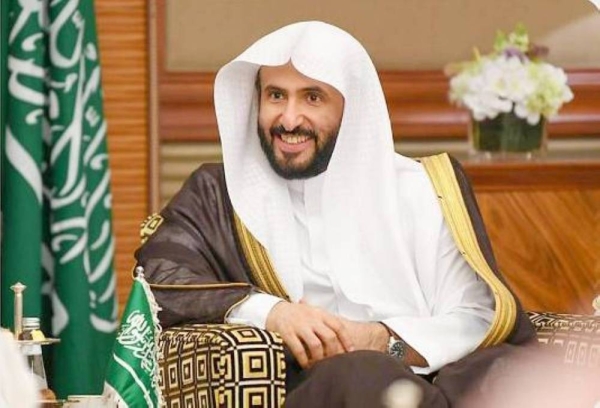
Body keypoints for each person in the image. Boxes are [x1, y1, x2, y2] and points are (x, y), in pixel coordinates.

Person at [136, 21, 536, 407]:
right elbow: (159, 275)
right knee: (364, 376)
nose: (289, 119)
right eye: (276, 96)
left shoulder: (423, 187)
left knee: (509, 375)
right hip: (317, 384)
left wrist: (382, 340)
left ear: (352, 107)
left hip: (423, 364)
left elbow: (476, 314)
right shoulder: (219, 193)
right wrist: (273, 312)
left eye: (312, 98)